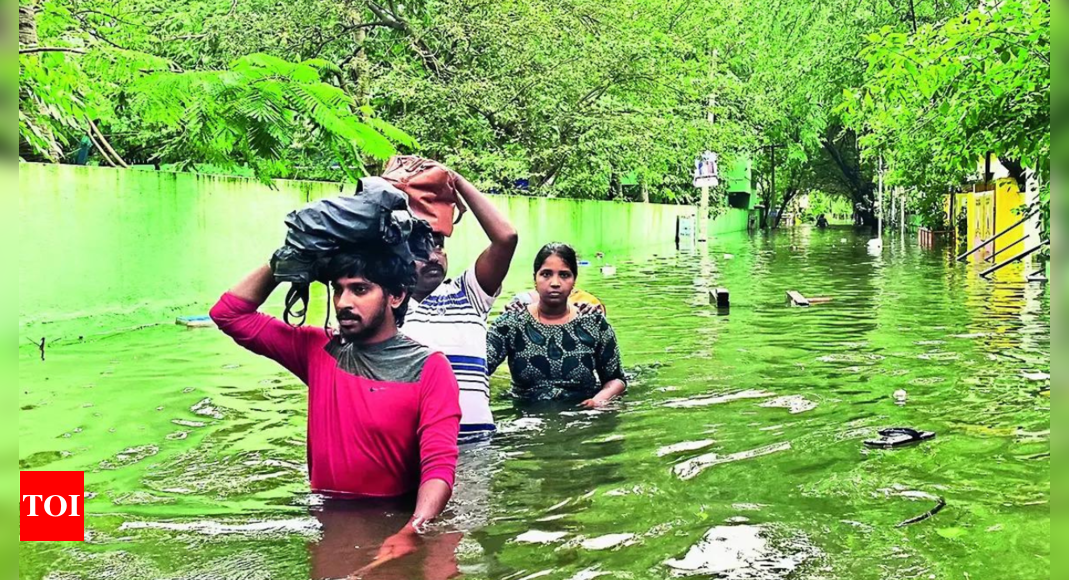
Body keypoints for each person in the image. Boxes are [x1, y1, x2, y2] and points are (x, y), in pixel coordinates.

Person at [209, 249, 461, 567]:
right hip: (326, 520)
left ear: (396, 296)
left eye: (360, 289)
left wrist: (413, 529)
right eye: (337, 289)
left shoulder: (429, 368)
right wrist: (284, 260)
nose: (343, 302)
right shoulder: (318, 350)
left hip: (394, 526)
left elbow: (439, 467)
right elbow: (228, 315)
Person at [401, 170, 518, 444]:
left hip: (476, 448)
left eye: (439, 246)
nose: (433, 257)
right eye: (421, 249)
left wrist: (457, 181)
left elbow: (506, 238)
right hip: (413, 450)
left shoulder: (468, 294)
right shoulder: (385, 307)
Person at [485, 243, 626, 408]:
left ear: (574, 281)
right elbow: (478, 368)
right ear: (535, 279)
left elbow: (616, 379)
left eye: (564, 275)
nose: (555, 283)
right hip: (527, 415)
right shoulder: (511, 324)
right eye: (546, 274)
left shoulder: (593, 323)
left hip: (582, 414)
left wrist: (599, 401)